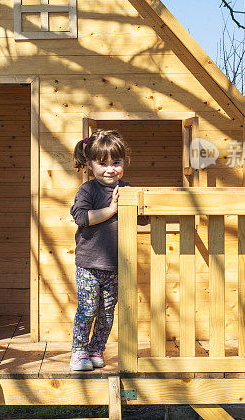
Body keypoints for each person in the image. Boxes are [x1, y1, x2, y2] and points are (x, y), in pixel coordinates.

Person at [68, 129, 148, 371]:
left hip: (115, 265)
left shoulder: (127, 189)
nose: (110, 169)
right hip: (89, 264)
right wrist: (111, 210)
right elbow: (81, 217)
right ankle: (79, 351)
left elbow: (142, 217)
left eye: (116, 162)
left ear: (124, 162)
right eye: (102, 164)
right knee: (88, 308)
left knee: (107, 314)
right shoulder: (89, 190)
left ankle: (95, 350)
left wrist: (148, 209)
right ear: (90, 165)